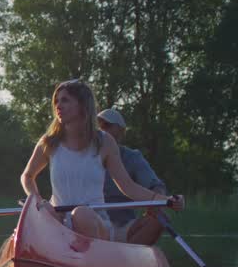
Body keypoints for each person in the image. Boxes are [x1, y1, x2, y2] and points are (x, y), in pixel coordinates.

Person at [20, 79, 182, 241]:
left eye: (65, 100)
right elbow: (27, 177)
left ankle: (94, 257)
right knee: (46, 212)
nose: (58, 106)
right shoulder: (49, 142)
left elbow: (128, 186)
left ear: (83, 105)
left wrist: (165, 201)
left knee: (81, 214)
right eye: (56, 101)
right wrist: (39, 201)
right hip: (59, 221)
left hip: (95, 222)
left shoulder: (105, 142)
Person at [96, 108, 169, 245]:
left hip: (123, 225)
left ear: (121, 131)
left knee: (159, 218)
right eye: (98, 126)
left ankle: (126, 258)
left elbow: (156, 186)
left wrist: (157, 201)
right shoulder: (85, 155)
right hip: (92, 223)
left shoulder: (132, 157)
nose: (101, 130)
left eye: (107, 126)